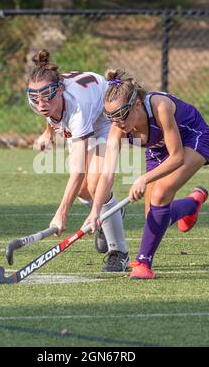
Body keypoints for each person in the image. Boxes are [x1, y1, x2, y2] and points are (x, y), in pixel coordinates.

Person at [83, 68, 209, 280]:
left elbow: (177, 156)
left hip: (193, 138)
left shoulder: (159, 107)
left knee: (160, 194)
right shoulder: (119, 128)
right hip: (158, 150)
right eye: (111, 118)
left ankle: (143, 264)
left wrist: (144, 178)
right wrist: (95, 211)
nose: (117, 123)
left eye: (121, 115)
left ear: (136, 105)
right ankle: (192, 204)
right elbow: (107, 175)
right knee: (154, 218)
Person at [26, 50, 129, 272]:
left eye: (46, 95)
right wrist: (48, 133)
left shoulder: (78, 109)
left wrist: (61, 213)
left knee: (94, 183)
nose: (41, 103)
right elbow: (50, 112)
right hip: (80, 121)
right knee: (83, 192)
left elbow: (78, 170)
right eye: (35, 97)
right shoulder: (42, 99)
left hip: (105, 118)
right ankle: (108, 213)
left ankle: (118, 253)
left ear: (59, 89)